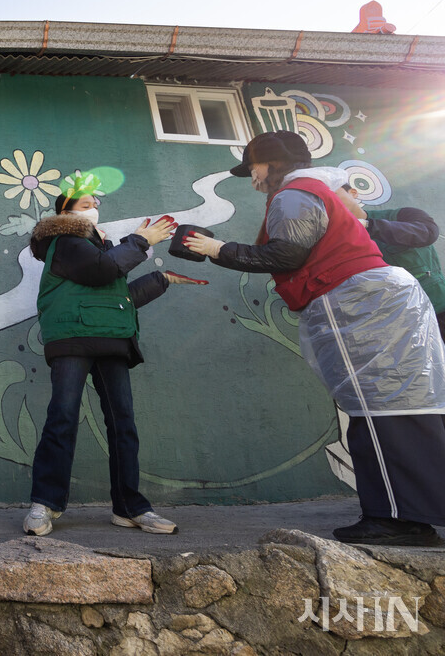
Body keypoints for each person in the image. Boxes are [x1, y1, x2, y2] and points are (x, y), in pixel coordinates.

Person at [185, 131, 445, 546]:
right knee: (400, 404)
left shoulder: (294, 194)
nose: (250, 176)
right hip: (374, 296)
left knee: (374, 407)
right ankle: (409, 513)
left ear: (270, 163)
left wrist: (217, 248)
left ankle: (397, 519)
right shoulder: (306, 193)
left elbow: (288, 254)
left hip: (357, 299)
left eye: (251, 166)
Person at [24, 173, 196, 538]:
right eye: (86, 204)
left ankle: (130, 507)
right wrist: (140, 241)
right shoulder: (66, 240)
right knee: (63, 417)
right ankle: (45, 502)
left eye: (96, 203)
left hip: (111, 338)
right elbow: (101, 272)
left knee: (123, 423)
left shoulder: (103, 249)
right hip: (72, 338)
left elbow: (116, 298)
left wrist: (163, 280)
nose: (95, 208)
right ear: (66, 212)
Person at [335, 183, 445, 336]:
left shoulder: (404, 215)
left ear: (354, 193)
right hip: (402, 328)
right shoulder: (337, 244)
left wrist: (368, 226)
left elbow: (428, 233)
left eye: (332, 193)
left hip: (439, 308)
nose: (329, 201)